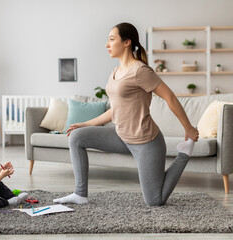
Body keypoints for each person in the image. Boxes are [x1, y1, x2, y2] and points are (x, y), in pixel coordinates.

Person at [53, 22, 199, 206]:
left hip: (146, 142)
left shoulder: (141, 71)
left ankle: (184, 154)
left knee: (155, 201)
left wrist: (188, 128)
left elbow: (169, 97)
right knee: (76, 137)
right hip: (120, 136)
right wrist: (86, 124)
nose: (107, 44)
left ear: (126, 42)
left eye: (112, 39)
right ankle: (80, 194)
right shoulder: (115, 71)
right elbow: (116, 109)